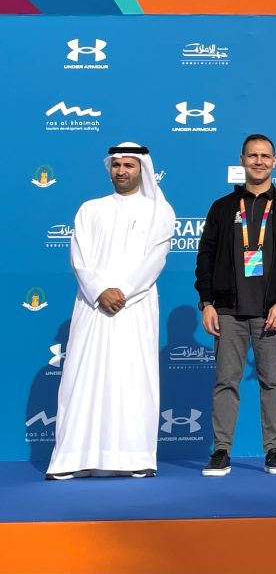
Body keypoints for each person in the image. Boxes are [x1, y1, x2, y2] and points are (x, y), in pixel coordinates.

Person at [46, 143, 175, 480]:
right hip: (92, 307)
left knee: (132, 379)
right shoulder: (90, 209)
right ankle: (72, 458)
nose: (121, 171)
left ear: (142, 169)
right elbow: (79, 257)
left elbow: (155, 260)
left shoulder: (159, 211)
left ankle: (134, 458)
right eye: (116, 165)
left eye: (129, 165)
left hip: (135, 307)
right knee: (81, 378)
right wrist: (100, 290)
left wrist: (124, 291)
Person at [196, 134, 276, 477]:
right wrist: (206, 302)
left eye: (265, 156)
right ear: (242, 160)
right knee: (225, 383)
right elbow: (205, 257)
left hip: (272, 312)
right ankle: (220, 451)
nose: (259, 161)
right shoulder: (222, 207)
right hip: (228, 311)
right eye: (252, 156)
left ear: (274, 162)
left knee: (272, 383)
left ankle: (274, 450)